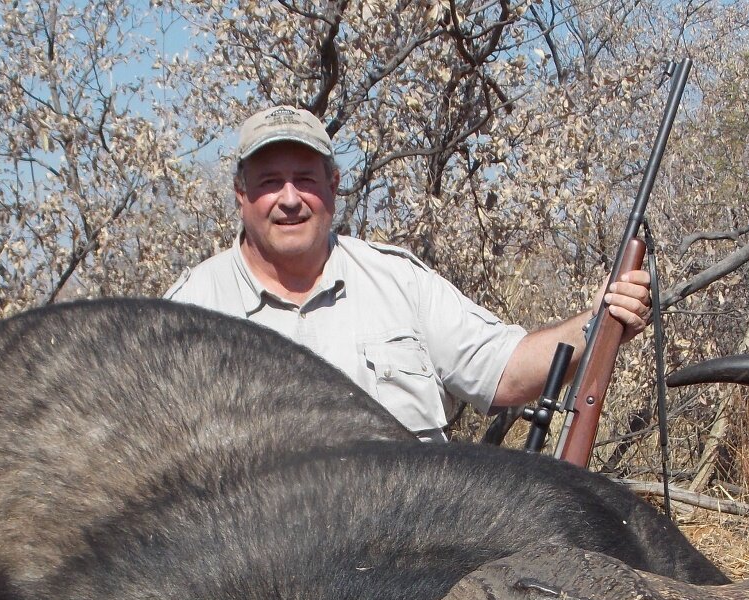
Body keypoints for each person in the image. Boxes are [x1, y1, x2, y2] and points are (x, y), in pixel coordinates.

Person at [166, 105, 653, 441]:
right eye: (270, 182)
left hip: (411, 558)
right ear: (240, 193)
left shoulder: (397, 280)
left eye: (306, 180)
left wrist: (599, 322)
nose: (290, 199)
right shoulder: (189, 308)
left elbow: (503, 371)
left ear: (333, 187)